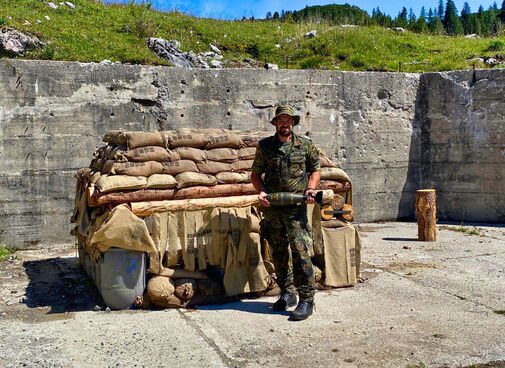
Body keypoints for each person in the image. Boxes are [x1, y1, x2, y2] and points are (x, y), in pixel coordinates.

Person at [251, 105, 321, 321]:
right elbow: (255, 174)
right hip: (273, 209)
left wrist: (310, 189)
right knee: (279, 252)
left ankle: (307, 299)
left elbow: (315, 170)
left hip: (296, 210)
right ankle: (287, 292)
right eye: (281, 120)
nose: (285, 123)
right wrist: (262, 192)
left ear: (293, 123)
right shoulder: (265, 146)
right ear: (275, 123)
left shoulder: (305, 145)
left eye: (288, 120)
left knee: (300, 252)